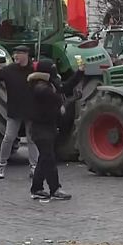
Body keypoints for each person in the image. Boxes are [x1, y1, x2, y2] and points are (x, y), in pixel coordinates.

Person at [28, 59, 84, 201]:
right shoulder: (39, 87)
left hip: (48, 128)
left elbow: (64, 87)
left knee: (43, 159)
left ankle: (37, 188)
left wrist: (79, 73)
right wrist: (70, 100)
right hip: (41, 129)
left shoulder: (48, 85)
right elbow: (57, 100)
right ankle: (55, 189)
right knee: (49, 159)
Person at [0, 45, 39, 179]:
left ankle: (34, 167)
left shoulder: (34, 70)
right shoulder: (9, 70)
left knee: (32, 139)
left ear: (26, 55)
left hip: (31, 109)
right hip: (15, 109)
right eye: (15, 54)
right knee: (8, 138)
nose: (16, 56)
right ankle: (1, 165)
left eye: (19, 54)